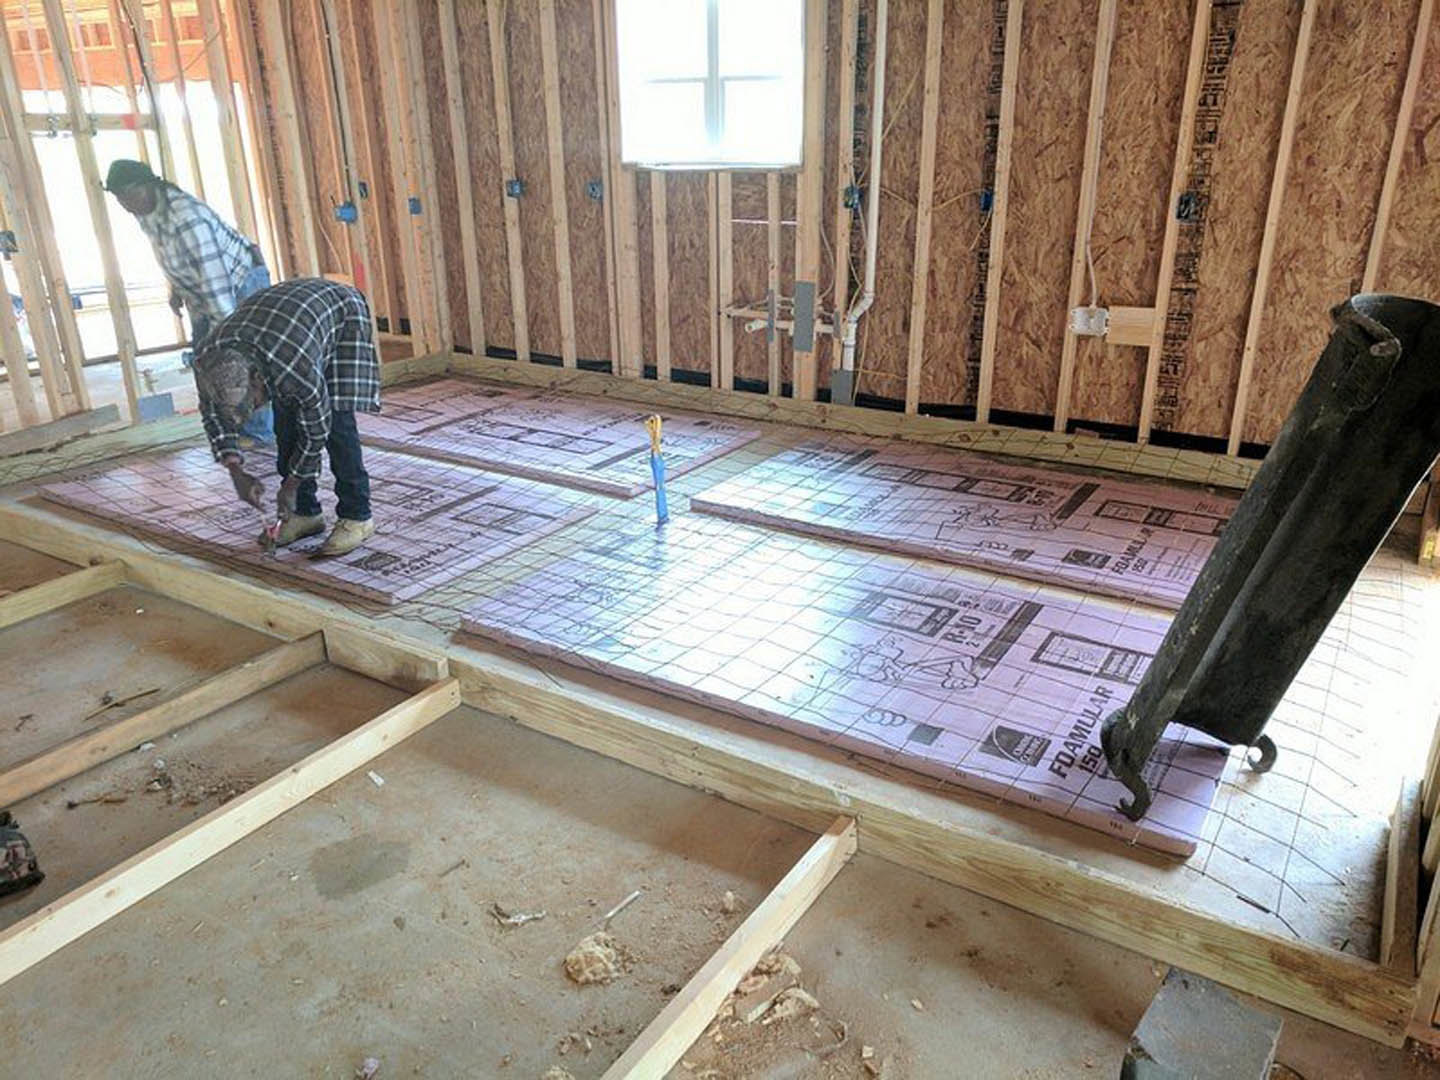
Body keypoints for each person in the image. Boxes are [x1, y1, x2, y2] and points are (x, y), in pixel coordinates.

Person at [192, 278, 380, 557]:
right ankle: (305, 513)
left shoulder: (293, 363)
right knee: (285, 423)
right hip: (278, 327)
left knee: (337, 422)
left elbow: (317, 429)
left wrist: (292, 483)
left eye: (254, 403)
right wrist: (235, 472)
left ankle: (358, 515)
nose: (254, 410)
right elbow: (214, 418)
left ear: (257, 378)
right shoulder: (207, 363)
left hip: (339, 312)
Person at [103, 158, 274, 444]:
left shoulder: (186, 218)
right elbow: (174, 256)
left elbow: (214, 281)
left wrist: (226, 336)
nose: (125, 204)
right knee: (206, 360)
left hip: (239, 283)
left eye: (129, 195)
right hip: (206, 291)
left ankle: (258, 436)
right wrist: (177, 288)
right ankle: (230, 430)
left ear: (148, 186)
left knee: (242, 360)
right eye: (119, 198)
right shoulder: (148, 211)